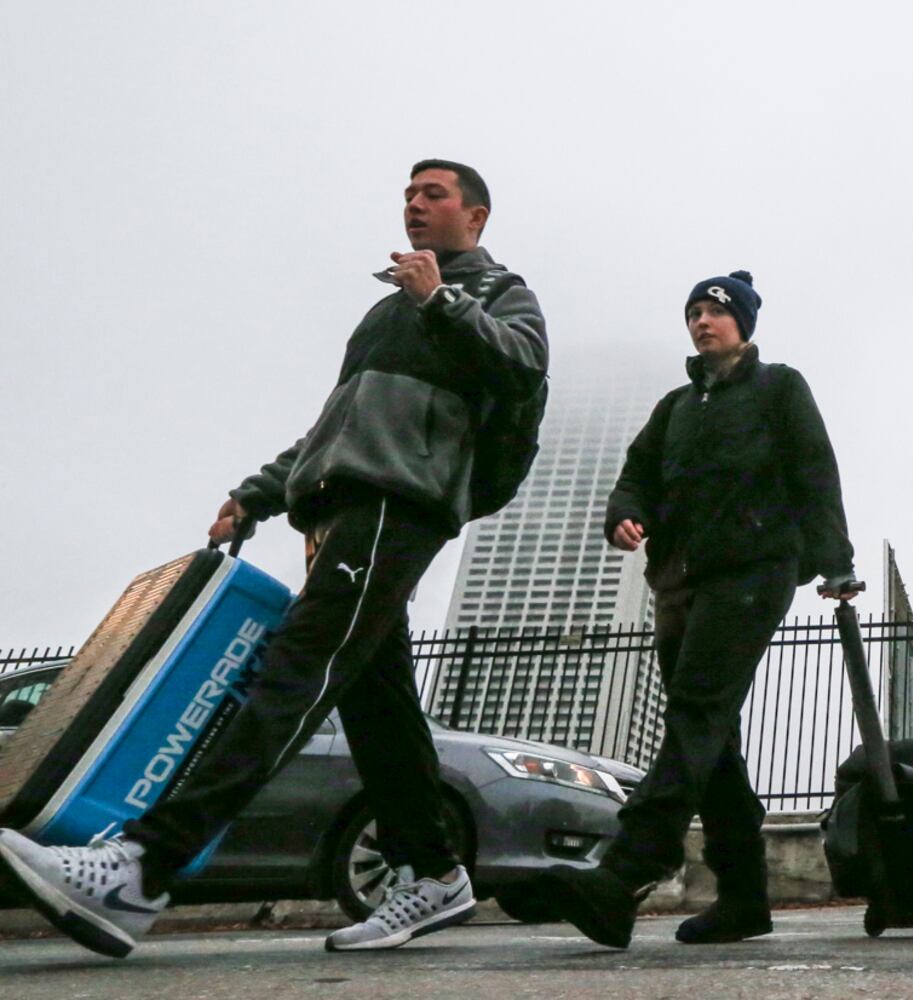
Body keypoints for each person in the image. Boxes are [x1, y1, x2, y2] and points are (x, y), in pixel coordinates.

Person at [0, 159, 548, 958]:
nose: (413, 205)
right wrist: (257, 492)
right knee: (378, 704)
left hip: (399, 502)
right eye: (407, 194)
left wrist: (443, 300)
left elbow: (523, 366)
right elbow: (337, 426)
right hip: (342, 505)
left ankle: (143, 869)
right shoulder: (385, 312)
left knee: (295, 669)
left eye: (433, 194)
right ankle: (433, 872)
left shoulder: (499, 293)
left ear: (477, 216)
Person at [540, 270, 857, 948]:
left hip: (753, 570)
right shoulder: (676, 407)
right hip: (679, 581)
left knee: (695, 712)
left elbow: (815, 471)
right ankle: (743, 898)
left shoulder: (779, 388)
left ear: (743, 322)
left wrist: (836, 562)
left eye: (714, 311)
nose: (701, 322)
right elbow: (638, 473)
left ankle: (626, 869)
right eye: (693, 314)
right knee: (714, 741)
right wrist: (624, 514)